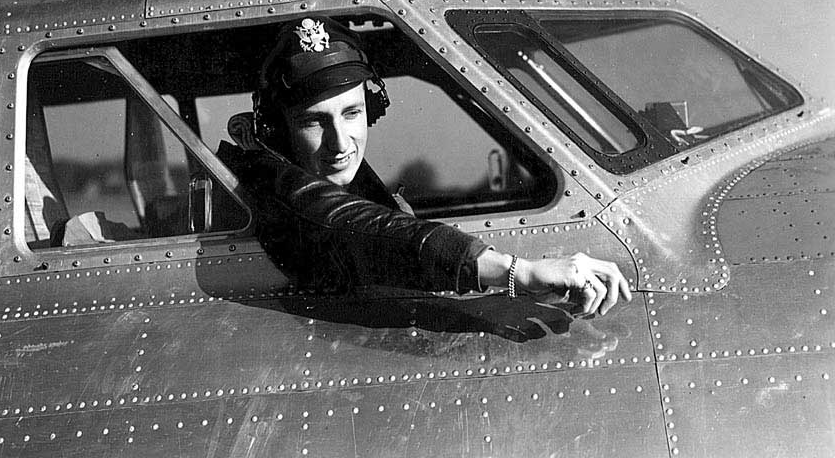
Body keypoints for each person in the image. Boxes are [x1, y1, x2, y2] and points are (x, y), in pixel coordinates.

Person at [224, 16, 631, 316]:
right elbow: (348, 224)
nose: (341, 142)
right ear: (276, 130)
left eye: (352, 113)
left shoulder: (338, 172)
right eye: (314, 121)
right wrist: (518, 273)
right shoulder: (276, 186)